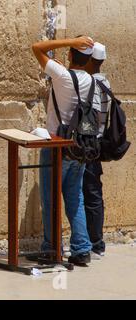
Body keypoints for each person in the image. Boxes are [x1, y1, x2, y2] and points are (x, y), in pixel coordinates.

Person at [32, 36, 94, 266]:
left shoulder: (62, 75)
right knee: (75, 197)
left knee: (50, 199)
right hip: (80, 146)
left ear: (70, 55)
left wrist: (70, 40)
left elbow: (36, 48)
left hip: (56, 144)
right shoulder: (91, 81)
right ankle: (81, 248)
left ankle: (51, 248)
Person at [83, 42, 111, 259]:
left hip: (89, 146)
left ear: (91, 60)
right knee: (94, 193)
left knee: (89, 193)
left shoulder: (92, 84)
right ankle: (96, 241)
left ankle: (94, 243)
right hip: (98, 144)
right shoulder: (105, 82)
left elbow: (89, 121)